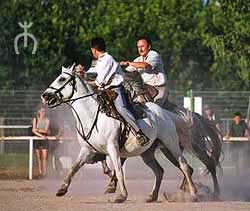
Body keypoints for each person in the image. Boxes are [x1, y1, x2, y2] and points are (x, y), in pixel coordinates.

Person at [76, 37, 149, 146]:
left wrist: (87, 81)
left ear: (93, 49)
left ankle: (139, 133)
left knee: (121, 109)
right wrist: (83, 74)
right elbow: (92, 73)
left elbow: (101, 81)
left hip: (116, 90)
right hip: (104, 91)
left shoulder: (108, 59)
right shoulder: (97, 61)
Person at [120, 36, 168, 106]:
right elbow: (126, 71)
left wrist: (128, 63)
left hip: (159, 89)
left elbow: (145, 65)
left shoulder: (154, 54)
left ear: (149, 47)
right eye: (138, 47)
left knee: (153, 108)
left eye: (142, 46)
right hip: (146, 89)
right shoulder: (138, 59)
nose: (140, 49)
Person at [32, 104, 50, 178]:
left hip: (44, 139)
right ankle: (40, 172)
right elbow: (33, 130)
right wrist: (41, 135)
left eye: (44, 111)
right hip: (37, 138)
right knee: (38, 157)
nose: (43, 112)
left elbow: (46, 130)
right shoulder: (35, 119)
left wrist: (38, 130)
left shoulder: (47, 120)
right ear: (38, 111)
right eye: (42, 111)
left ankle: (45, 172)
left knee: (45, 157)